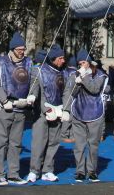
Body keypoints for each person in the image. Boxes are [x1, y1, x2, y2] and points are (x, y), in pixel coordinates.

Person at [0, 32, 35, 186]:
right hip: (5, 108)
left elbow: (34, 83)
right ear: (12, 49)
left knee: (16, 143)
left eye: (24, 48)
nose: (22, 51)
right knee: (1, 142)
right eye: (19, 49)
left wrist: (31, 97)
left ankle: (13, 174)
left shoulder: (29, 63)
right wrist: (4, 100)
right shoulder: (1, 62)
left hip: (21, 108)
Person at [65, 50, 107, 183]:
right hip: (78, 112)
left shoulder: (100, 75)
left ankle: (92, 171)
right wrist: (77, 83)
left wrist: (84, 77)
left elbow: (95, 89)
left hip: (95, 113)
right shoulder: (74, 74)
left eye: (83, 63)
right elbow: (71, 93)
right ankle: (80, 171)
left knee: (93, 144)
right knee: (79, 145)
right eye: (79, 63)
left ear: (89, 62)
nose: (81, 66)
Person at [28, 45, 66, 182]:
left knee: (54, 142)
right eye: (60, 58)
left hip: (58, 111)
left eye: (63, 58)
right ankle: (34, 170)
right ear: (53, 59)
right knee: (39, 142)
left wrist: (63, 109)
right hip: (42, 113)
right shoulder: (38, 70)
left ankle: (48, 170)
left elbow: (65, 92)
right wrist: (46, 109)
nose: (63, 61)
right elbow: (37, 91)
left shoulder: (63, 72)